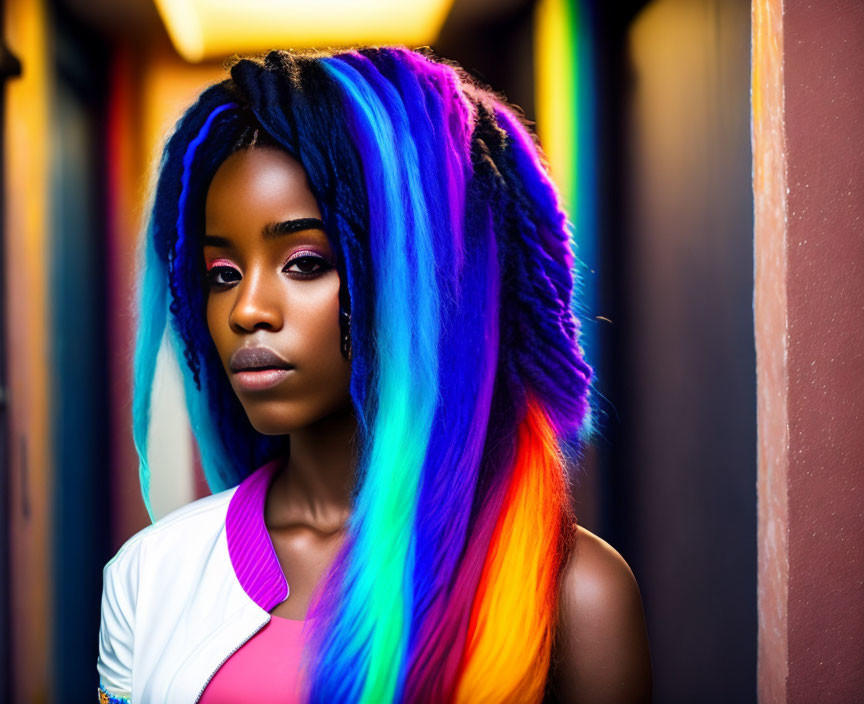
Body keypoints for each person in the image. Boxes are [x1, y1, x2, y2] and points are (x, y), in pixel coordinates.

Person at [97, 46, 652, 704]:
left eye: (304, 262)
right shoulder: (151, 574)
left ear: (423, 280)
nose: (246, 310)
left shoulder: (573, 596)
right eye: (223, 273)